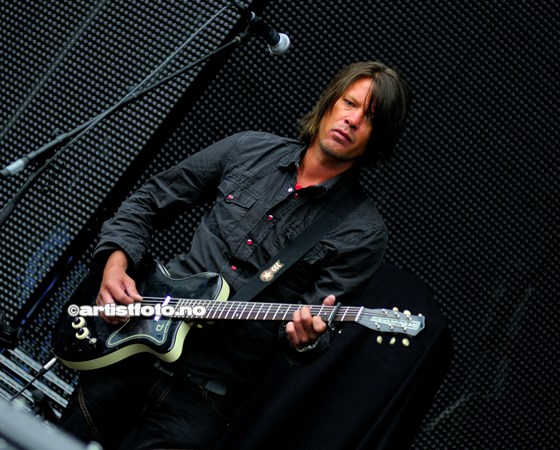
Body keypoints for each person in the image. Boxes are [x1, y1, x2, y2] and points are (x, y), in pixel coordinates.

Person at [58, 61, 411, 449]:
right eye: (350, 103)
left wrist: (305, 339)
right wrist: (114, 265)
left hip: (202, 398)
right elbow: (149, 202)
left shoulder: (362, 231)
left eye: (370, 117)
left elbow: (314, 333)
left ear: (379, 136)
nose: (353, 120)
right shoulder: (248, 149)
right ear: (330, 102)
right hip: (130, 349)